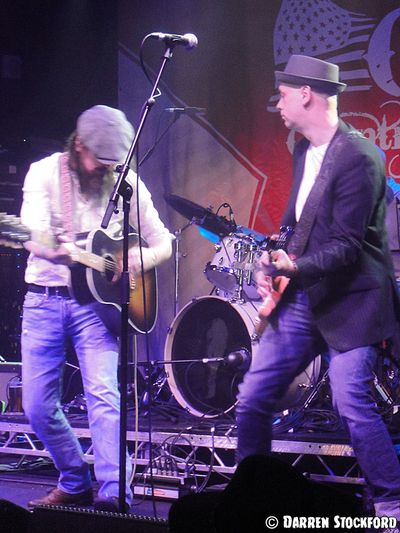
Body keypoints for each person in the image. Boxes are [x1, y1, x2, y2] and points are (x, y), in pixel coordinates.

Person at [236, 55, 400, 524]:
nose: (279, 103)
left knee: (351, 402)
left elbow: (347, 247)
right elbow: (298, 225)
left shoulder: (361, 155)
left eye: (284, 94)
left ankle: (391, 501)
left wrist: (295, 265)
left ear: (306, 93)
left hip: (353, 302)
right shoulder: (302, 150)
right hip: (307, 295)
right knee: (253, 396)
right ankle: (252, 496)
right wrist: (274, 260)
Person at [20, 105, 173, 511]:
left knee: (103, 396)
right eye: (100, 162)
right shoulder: (44, 174)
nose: (106, 170)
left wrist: (133, 261)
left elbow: (164, 241)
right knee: (36, 405)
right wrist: (53, 253)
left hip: (99, 308)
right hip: (45, 298)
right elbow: (33, 237)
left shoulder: (127, 182)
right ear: (79, 145)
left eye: (113, 164)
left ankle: (114, 492)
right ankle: (74, 479)